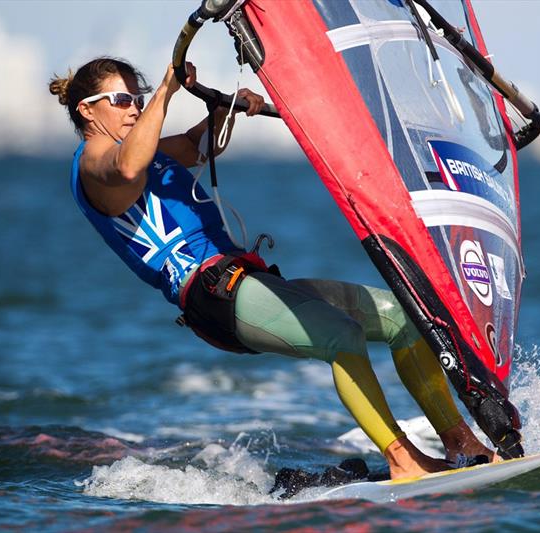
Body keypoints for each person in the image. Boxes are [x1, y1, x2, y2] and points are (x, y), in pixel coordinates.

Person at [49, 56, 495, 480]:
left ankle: (460, 443)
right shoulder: (94, 163)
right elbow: (129, 168)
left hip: (243, 280)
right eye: (123, 101)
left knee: (403, 317)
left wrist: (228, 109)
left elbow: (193, 146)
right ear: (88, 111)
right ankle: (404, 460)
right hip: (210, 295)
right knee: (341, 335)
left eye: (138, 100)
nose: (134, 109)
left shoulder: (150, 155)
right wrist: (167, 88)